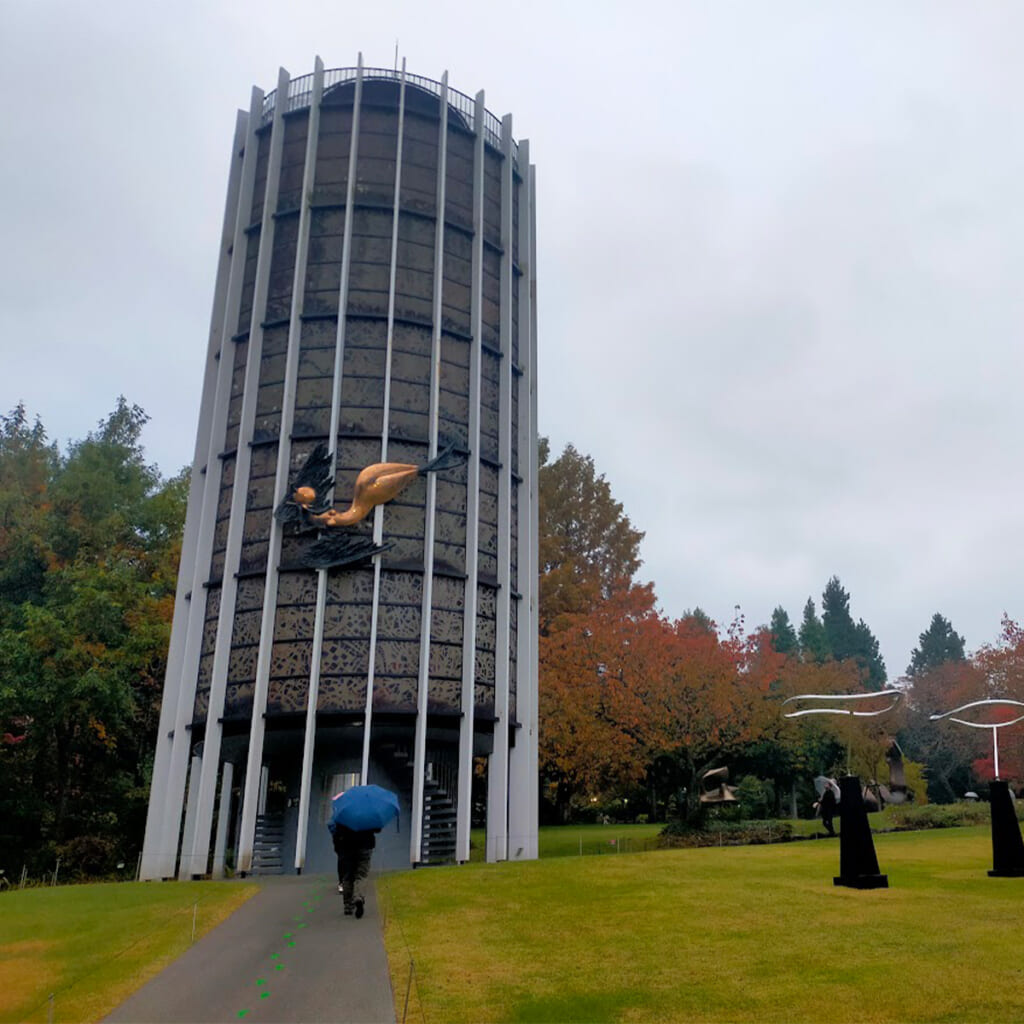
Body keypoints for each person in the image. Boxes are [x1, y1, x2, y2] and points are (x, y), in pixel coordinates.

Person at [329, 823, 379, 918]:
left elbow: (336, 830)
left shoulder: (343, 814)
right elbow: (377, 829)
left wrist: (337, 846)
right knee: (361, 875)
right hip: (365, 844)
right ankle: (358, 897)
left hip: (347, 845)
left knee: (347, 875)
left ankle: (348, 905)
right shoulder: (367, 813)